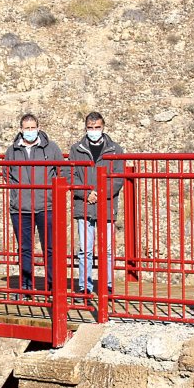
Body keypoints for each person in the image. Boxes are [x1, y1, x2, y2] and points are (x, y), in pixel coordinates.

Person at [4, 113, 64, 293]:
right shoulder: (12, 150)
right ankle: (26, 286)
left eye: (32, 127)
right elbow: (6, 174)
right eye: (26, 128)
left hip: (47, 206)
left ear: (38, 127)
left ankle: (53, 285)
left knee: (51, 247)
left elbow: (61, 171)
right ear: (21, 130)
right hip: (20, 208)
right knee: (24, 249)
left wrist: (49, 193)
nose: (29, 131)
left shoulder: (51, 148)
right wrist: (17, 193)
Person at [69, 112, 126, 295]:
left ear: (103, 127)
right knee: (85, 249)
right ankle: (85, 286)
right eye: (90, 128)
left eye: (97, 127)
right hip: (84, 207)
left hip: (107, 206)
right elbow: (71, 176)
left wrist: (100, 194)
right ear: (85, 128)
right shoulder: (76, 149)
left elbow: (118, 178)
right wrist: (86, 193)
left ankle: (107, 285)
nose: (94, 131)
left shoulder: (116, 149)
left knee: (107, 250)